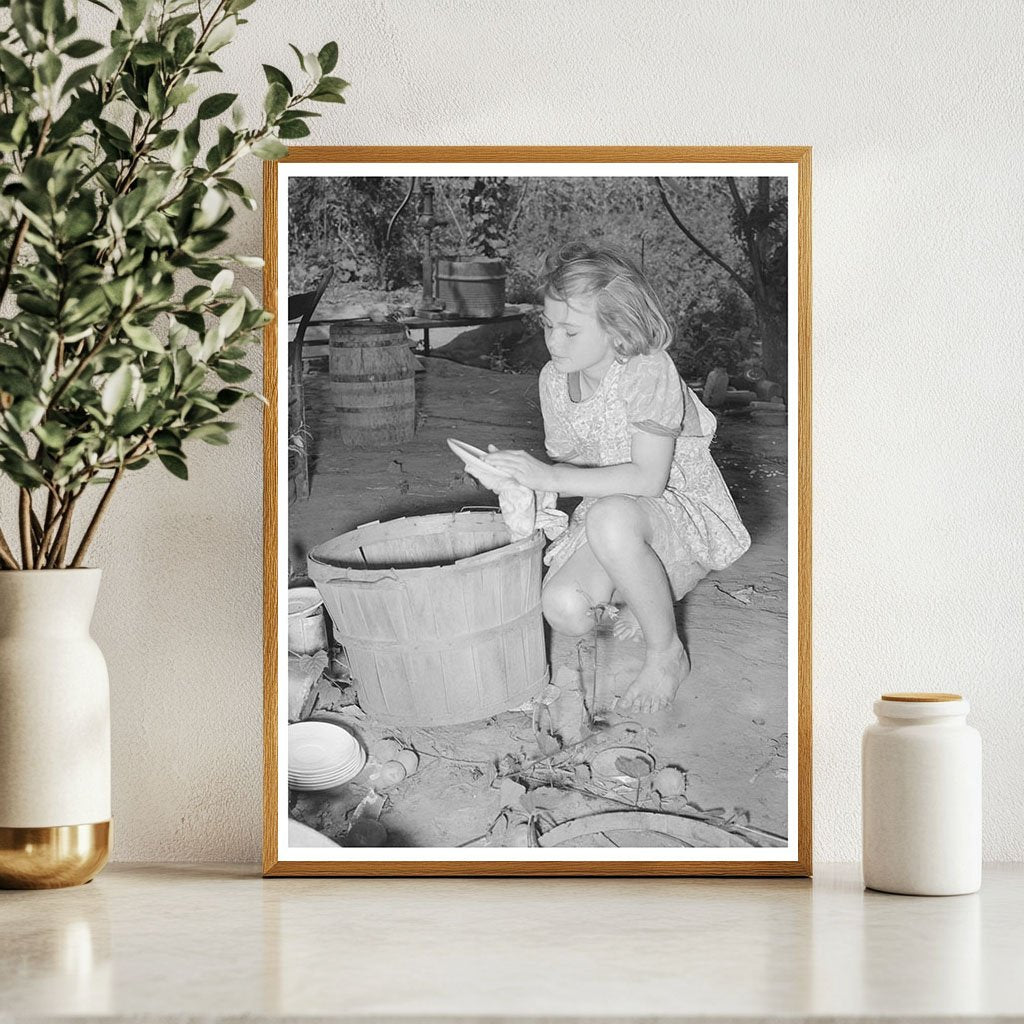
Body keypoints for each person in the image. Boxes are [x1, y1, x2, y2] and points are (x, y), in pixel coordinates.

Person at [481, 243, 751, 714]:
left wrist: (552, 476)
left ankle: (666, 651)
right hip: (615, 508)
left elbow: (649, 480)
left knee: (610, 521)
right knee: (566, 609)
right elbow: (577, 468)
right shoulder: (553, 379)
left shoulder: (647, 370)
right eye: (548, 325)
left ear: (616, 328)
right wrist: (519, 481)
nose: (554, 342)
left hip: (677, 509)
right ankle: (641, 586)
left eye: (570, 330)